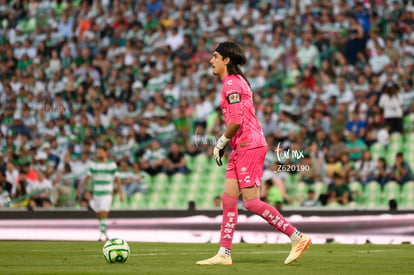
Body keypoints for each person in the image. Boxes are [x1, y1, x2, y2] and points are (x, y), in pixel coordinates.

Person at [196, 42, 310, 266]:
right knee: (229, 200)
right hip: (241, 146)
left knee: (251, 202)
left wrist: (220, 143)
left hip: (249, 143)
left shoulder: (231, 83)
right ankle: (223, 253)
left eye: (215, 56)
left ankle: (297, 236)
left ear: (226, 60)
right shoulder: (236, 82)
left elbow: (237, 121)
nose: (211, 60)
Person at [76, 146, 123, 241]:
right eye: (98, 152)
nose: (99, 154)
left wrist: (120, 193)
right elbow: (88, 177)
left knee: (103, 211)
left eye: (101, 152)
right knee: (99, 213)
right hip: (97, 193)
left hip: (107, 192)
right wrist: (80, 189)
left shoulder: (111, 164)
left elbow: (117, 179)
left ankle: (102, 234)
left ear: (105, 153)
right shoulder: (94, 165)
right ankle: (104, 233)